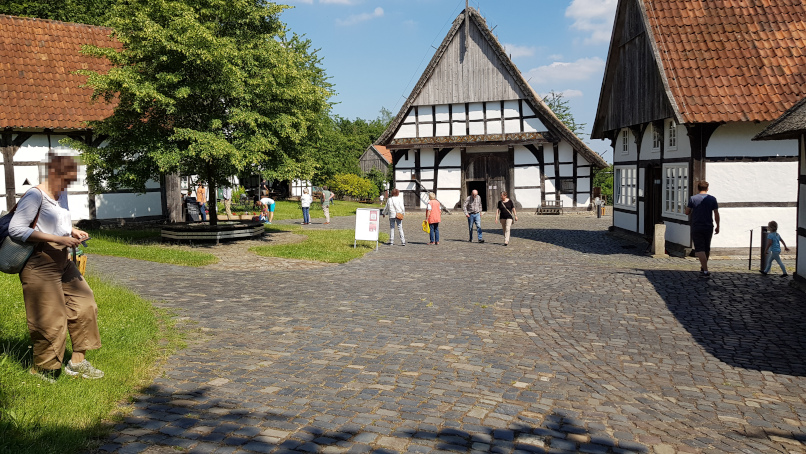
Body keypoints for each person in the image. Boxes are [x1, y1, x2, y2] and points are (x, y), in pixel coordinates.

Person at [8, 154, 103, 382]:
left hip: (63, 260)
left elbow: (56, 221)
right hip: (39, 261)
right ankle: (43, 369)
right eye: (67, 177)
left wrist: (72, 231)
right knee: (50, 317)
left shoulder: (61, 195)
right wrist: (58, 239)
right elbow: (16, 229)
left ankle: (77, 363)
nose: (69, 182)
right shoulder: (35, 195)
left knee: (85, 305)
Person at [685, 181, 720, 277]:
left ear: (698, 188)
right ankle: (703, 267)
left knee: (699, 248)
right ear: (707, 188)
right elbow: (716, 213)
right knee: (706, 247)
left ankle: (705, 270)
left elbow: (687, 212)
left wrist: (687, 208)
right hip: (708, 226)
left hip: (697, 225)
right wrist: (718, 225)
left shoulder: (693, 198)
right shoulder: (712, 199)